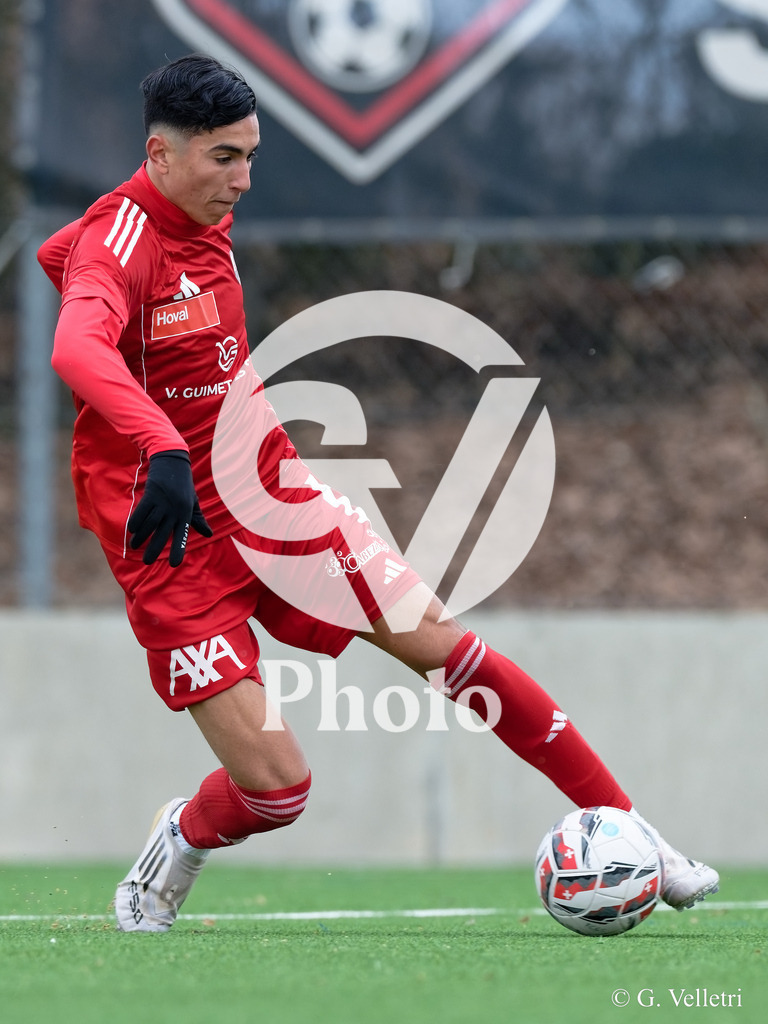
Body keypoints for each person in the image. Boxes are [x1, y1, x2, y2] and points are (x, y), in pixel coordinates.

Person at [39, 54, 718, 933]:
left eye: (251, 156)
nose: (242, 180)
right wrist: (161, 445)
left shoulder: (201, 214)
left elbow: (63, 259)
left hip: (268, 494)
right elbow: (75, 348)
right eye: (223, 159)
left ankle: (638, 835)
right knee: (277, 792)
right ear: (159, 154)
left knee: (443, 645)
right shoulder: (122, 239)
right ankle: (177, 842)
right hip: (168, 532)